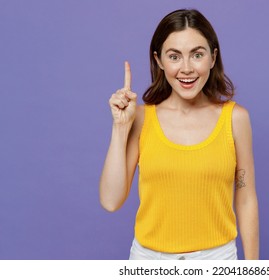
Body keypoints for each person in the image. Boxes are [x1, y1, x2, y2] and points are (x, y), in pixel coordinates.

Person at [99, 9, 259, 260]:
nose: (186, 69)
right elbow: (111, 200)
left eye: (197, 54)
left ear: (213, 57)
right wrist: (120, 127)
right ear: (159, 60)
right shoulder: (141, 118)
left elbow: (246, 198)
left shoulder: (236, 119)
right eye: (174, 56)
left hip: (217, 261)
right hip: (149, 262)